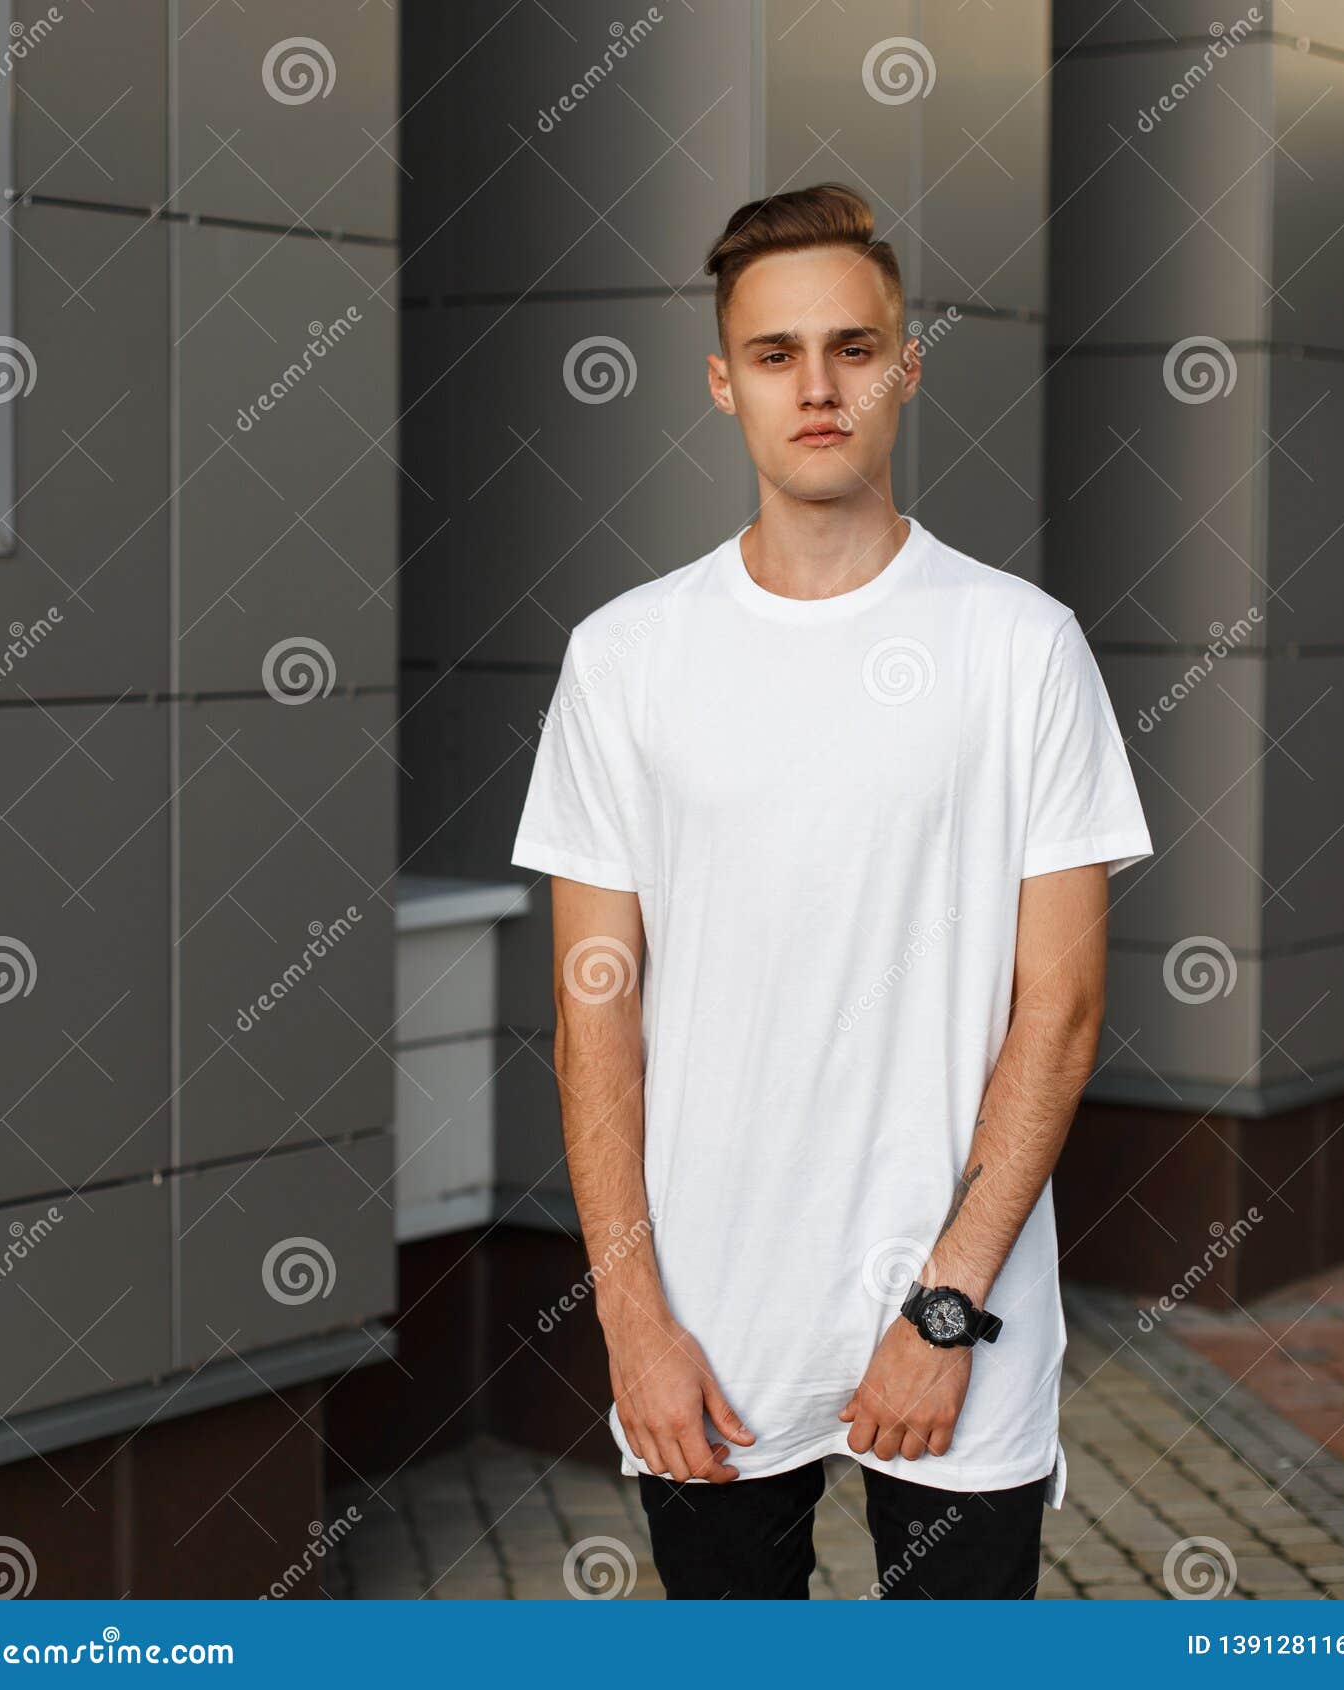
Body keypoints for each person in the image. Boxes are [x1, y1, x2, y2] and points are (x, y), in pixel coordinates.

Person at [510, 182, 1153, 1599]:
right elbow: (594, 1018)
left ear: (906, 369)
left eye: (854, 349)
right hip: (709, 1329)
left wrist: (945, 1303)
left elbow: (1060, 1006)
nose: (817, 385)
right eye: (776, 353)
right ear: (722, 383)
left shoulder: (1020, 648)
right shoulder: (625, 658)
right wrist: (631, 1318)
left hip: (959, 1324)